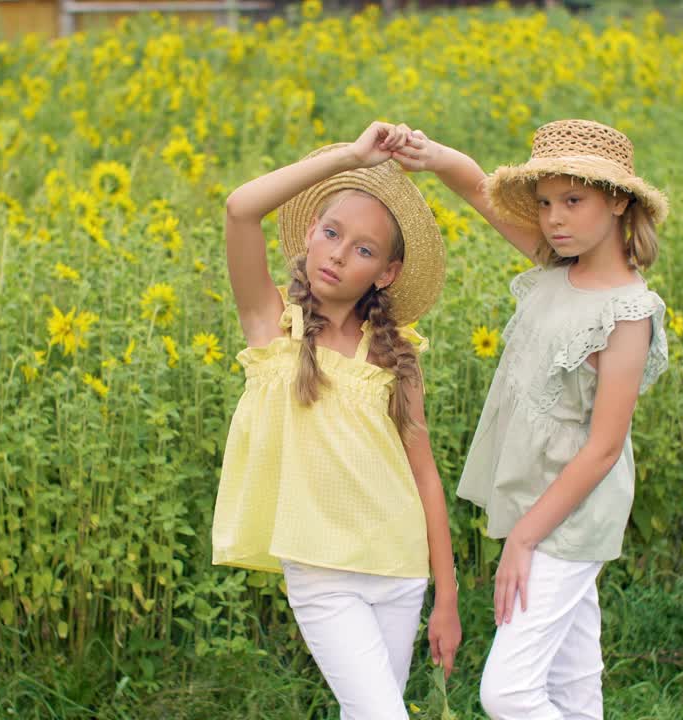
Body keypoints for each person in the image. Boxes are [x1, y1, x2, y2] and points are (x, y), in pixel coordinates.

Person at [393, 118, 670, 719]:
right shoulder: (555, 266)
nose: (554, 219)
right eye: (544, 203)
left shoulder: (628, 312)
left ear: (618, 200)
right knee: (573, 682)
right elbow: (476, 190)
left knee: (508, 693)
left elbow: (603, 448)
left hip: (571, 511)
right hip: (533, 491)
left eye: (574, 200)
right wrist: (434, 154)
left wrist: (524, 537)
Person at [212, 121, 461, 719]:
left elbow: (424, 474)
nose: (339, 253)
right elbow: (241, 210)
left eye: (365, 249)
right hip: (323, 569)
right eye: (330, 232)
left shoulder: (395, 353)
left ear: (387, 273)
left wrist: (446, 595)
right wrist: (348, 158)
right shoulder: (274, 325)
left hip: (400, 567)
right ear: (309, 237)